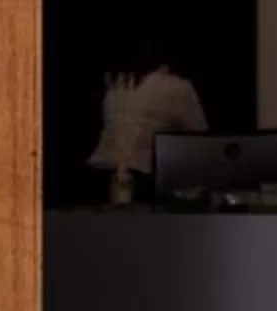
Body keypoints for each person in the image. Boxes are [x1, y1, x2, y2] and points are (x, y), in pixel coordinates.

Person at [86, 44, 206, 198]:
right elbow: (201, 142)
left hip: (99, 174)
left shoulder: (114, 81)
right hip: (142, 180)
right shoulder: (177, 86)